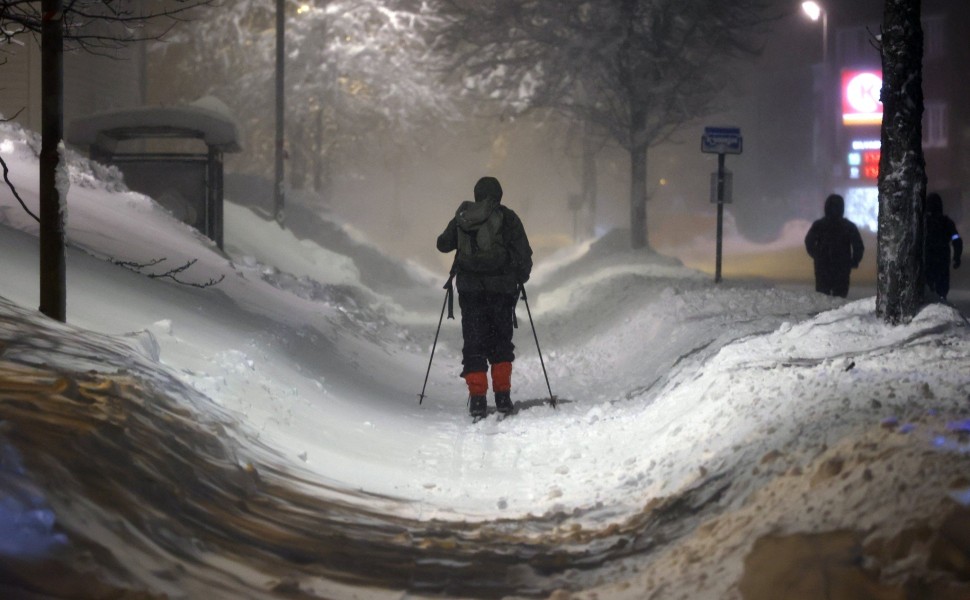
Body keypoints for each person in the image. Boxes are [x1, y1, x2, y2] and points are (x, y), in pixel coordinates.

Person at [436, 176, 533, 419]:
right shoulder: (508, 217)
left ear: (477, 194)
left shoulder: (464, 215)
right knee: (501, 341)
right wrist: (520, 277)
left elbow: (443, 244)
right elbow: (524, 253)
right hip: (502, 290)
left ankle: (478, 400)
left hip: (470, 290)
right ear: (499, 194)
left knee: (474, 342)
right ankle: (502, 397)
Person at [804, 193, 865, 298]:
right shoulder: (848, 226)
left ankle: (824, 314)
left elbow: (809, 242)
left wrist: (817, 255)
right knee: (840, 298)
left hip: (823, 266)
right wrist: (854, 261)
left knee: (822, 297)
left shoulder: (819, 225)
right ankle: (838, 315)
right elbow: (858, 246)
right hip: (842, 266)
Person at [924, 192, 962, 302]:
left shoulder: (923, 223)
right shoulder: (947, 223)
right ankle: (942, 301)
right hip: (943, 258)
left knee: (928, 285)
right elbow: (956, 240)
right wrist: (957, 257)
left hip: (928, 258)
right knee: (942, 287)